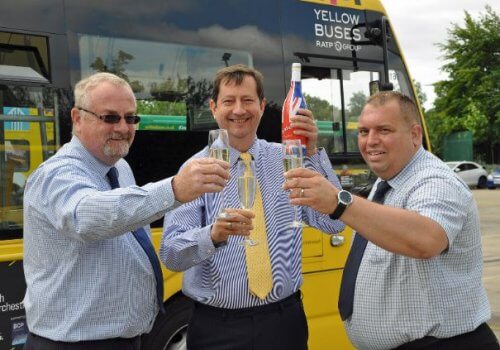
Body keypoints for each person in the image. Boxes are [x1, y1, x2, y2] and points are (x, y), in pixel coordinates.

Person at [23, 72, 230, 350]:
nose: (123, 127)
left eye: (131, 118)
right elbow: (87, 218)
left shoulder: (119, 166)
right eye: (110, 117)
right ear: (77, 118)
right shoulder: (56, 174)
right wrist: (175, 189)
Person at [283, 91, 500, 350]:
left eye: (383, 130)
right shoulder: (389, 180)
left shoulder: (435, 181)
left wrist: (339, 203)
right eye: (363, 132)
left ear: (415, 134)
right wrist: (311, 156)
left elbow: (427, 239)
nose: (371, 141)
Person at [160, 64, 345, 350]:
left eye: (247, 100)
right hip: (217, 327)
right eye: (228, 101)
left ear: (261, 106)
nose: (238, 110)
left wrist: (311, 152)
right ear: (213, 107)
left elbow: (333, 223)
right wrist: (212, 235)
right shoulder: (195, 171)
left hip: (284, 322)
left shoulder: (289, 159)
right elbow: (172, 254)